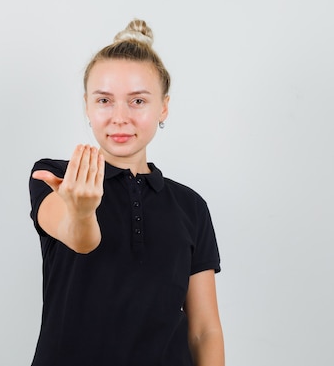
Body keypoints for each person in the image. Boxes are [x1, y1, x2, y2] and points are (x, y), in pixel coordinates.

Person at [28, 19, 224, 366]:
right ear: (87, 106)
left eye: (137, 101)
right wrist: (82, 211)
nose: (120, 117)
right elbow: (80, 239)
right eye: (104, 100)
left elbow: (204, 330)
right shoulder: (58, 177)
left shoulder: (190, 206)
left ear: (163, 107)